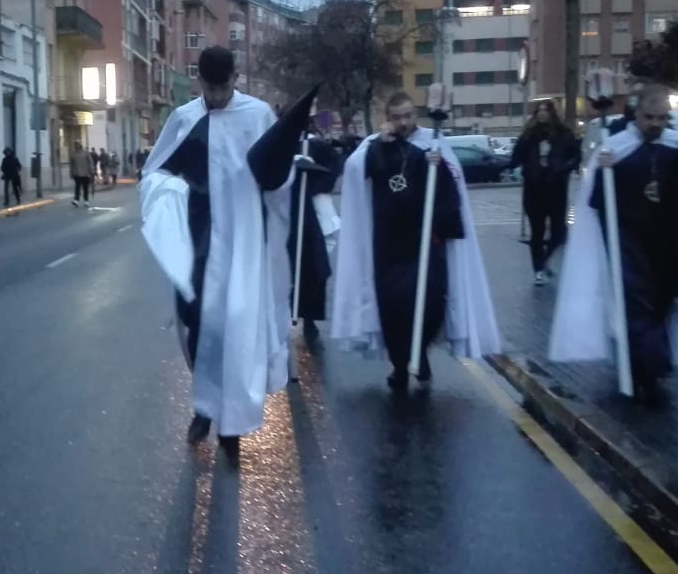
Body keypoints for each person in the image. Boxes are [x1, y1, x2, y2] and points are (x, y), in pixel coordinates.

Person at [139, 46, 313, 464]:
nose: (215, 97)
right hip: (198, 239)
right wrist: (174, 192)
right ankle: (205, 405)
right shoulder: (184, 118)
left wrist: (290, 173)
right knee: (197, 323)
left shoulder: (256, 116)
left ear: (236, 77)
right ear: (201, 81)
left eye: (222, 87)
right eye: (208, 88)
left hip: (243, 240)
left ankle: (230, 425)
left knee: (236, 326)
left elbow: (277, 175)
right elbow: (155, 172)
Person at [549, 84, 678, 404]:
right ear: (636, 114)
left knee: (660, 308)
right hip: (628, 242)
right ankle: (652, 370)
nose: (655, 124)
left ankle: (640, 366)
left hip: (667, 245)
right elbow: (597, 203)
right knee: (638, 306)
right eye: (649, 117)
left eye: (661, 118)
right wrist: (604, 172)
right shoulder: (616, 150)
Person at [330, 91, 502, 390]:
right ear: (388, 119)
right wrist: (380, 147)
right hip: (389, 245)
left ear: (416, 115)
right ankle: (400, 365)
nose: (403, 122)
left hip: (426, 241)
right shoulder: (377, 146)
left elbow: (451, 185)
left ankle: (419, 351)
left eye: (408, 115)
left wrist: (437, 164)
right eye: (397, 117)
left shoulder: (432, 143)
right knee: (394, 308)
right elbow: (357, 171)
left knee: (430, 303)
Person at [511, 100, 580, 284]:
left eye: (546, 110)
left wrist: (564, 168)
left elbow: (576, 156)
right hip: (534, 188)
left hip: (556, 187)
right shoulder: (528, 136)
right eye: (539, 111)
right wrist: (518, 168)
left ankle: (544, 260)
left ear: (552, 113)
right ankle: (538, 270)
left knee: (559, 231)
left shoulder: (564, 135)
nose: (542, 114)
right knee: (537, 231)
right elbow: (516, 157)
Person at [288, 125, 343, 336]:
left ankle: (309, 316)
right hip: (286, 210)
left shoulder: (313, 144)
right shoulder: (281, 144)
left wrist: (317, 183)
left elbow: (335, 162)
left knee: (312, 262)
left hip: (310, 212)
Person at [69, 141, 94, 207]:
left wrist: (91, 169)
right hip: (77, 173)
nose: (76, 145)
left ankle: (86, 200)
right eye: (75, 144)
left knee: (85, 187)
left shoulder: (86, 153)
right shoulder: (73, 154)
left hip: (86, 173)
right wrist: (71, 173)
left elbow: (90, 162)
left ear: (80, 145)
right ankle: (76, 200)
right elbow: (71, 164)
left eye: (78, 144)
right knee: (77, 187)